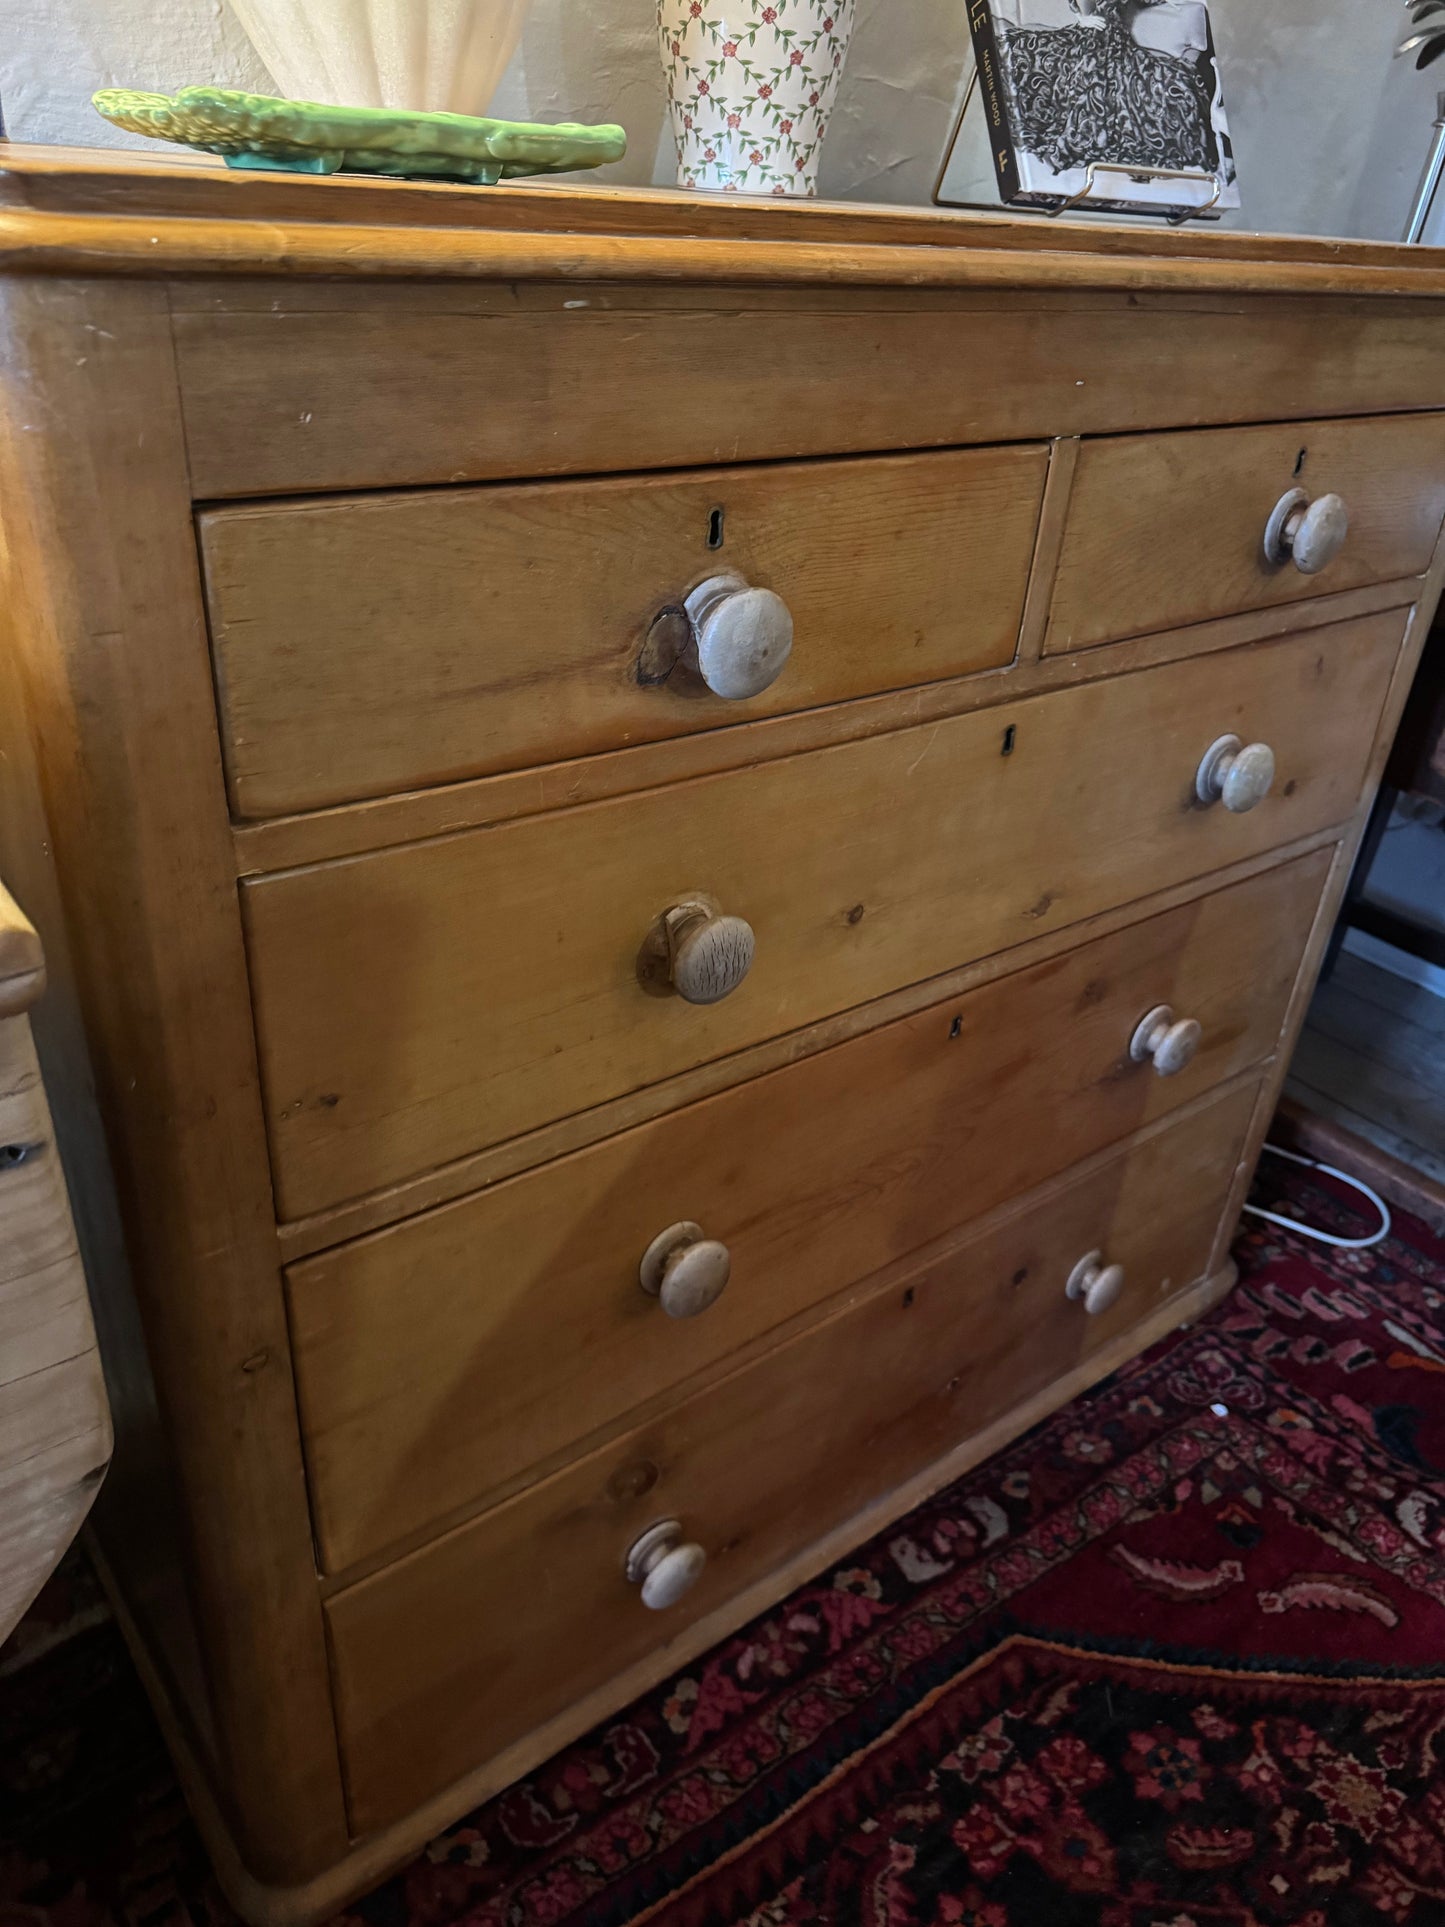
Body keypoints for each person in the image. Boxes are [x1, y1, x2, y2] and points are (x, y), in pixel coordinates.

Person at [1003, 0, 1221, 179]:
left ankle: (1085, 129)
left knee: (1099, 78)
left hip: (1115, 41)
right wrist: (1081, 18)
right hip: (1091, 35)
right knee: (1035, 53)